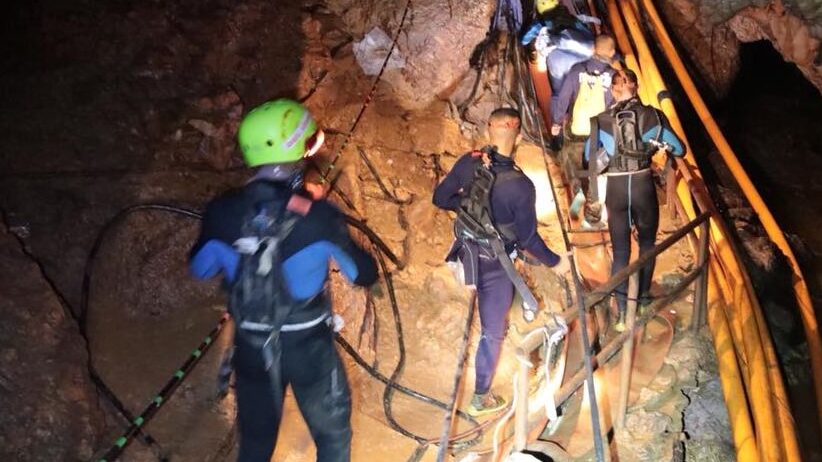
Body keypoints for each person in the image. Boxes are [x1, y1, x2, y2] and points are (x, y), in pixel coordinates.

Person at [189, 99, 377, 462]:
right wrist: (323, 217)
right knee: (333, 437)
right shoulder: (319, 216)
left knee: (256, 444)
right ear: (297, 150)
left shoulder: (221, 211)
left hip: (252, 345)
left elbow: (201, 269)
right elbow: (362, 274)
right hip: (308, 347)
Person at [433, 107, 569, 416]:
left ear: (487, 131)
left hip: (464, 254)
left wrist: (469, 207)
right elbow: (529, 239)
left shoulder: (468, 162)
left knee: (492, 301)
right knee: (492, 331)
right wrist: (555, 262)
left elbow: (440, 198)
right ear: (518, 138)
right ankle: (480, 397)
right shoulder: (521, 185)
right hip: (495, 266)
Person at [584, 70, 685, 330]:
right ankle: (640, 301)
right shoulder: (653, 116)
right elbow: (679, 148)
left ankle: (621, 315)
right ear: (636, 87)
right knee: (647, 245)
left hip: (616, 189)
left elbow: (588, 156)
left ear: (612, 90)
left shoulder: (599, 120)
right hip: (642, 186)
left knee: (621, 252)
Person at [551, 34, 618, 227]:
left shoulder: (577, 69)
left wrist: (557, 121)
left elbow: (564, 97)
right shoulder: (614, 76)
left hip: (576, 129)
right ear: (612, 52)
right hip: (599, 133)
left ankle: (576, 211)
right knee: (597, 173)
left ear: (593, 49)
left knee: (575, 169)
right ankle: (593, 217)